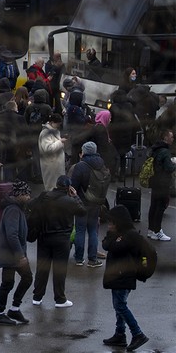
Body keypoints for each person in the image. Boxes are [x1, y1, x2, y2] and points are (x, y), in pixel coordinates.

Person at [101, 205, 150, 351]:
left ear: (119, 222)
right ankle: (120, 334)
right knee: (119, 306)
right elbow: (105, 244)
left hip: (124, 276)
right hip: (117, 276)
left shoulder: (130, 235)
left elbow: (114, 247)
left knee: (120, 305)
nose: (109, 225)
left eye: (112, 222)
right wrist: (112, 235)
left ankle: (137, 333)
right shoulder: (118, 234)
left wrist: (113, 237)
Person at [30, 176, 84, 308]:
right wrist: (75, 196)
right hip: (62, 239)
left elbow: (31, 205)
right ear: (68, 187)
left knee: (42, 267)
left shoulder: (44, 196)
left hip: (44, 236)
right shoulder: (70, 201)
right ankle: (60, 299)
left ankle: (37, 296)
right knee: (60, 269)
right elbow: (82, 211)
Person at [0, 180, 33, 326]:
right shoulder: (13, 210)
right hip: (11, 254)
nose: (29, 197)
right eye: (27, 194)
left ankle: (14, 308)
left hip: (14, 253)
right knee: (8, 283)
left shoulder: (18, 208)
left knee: (25, 278)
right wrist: (20, 255)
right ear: (20, 194)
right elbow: (12, 234)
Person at [70, 141, 109, 266]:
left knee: (80, 230)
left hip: (82, 202)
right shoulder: (101, 164)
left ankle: (79, 258)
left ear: (84, 151)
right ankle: (92, 259)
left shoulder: (81, 166)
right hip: (96, 202)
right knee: (93, 230)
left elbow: (74, 185)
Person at [145, 127, 174, 241]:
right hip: (162, 182)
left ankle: (151, 230)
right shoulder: (165, 151)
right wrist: (174, 163)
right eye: (171, 137)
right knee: (160, 207)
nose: (172, 139)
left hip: (154, 180)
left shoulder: (155, 148)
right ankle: (158, 231)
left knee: (153, 206)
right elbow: (169, 168)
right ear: (166, 137)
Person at [38, 113, 67, 193]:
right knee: (51, 187)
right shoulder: (45, 133)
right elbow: (48, 149)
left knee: (57, 186)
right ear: (51, 122)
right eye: (57, 123)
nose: (58, 125)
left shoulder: (54, 131)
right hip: (50, 164)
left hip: (55, 164)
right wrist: (60, 142)